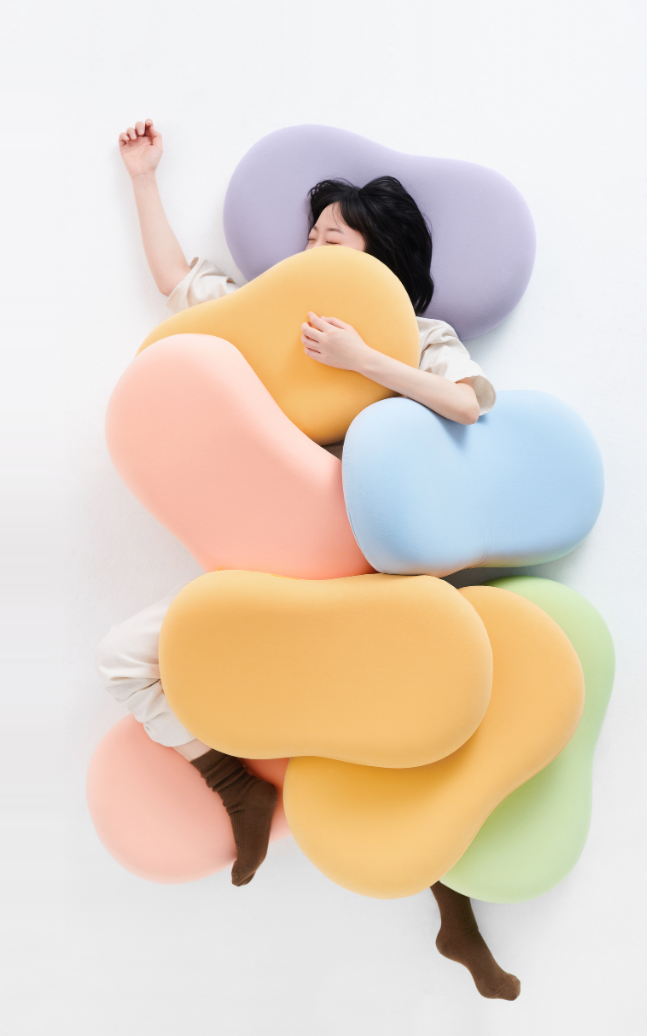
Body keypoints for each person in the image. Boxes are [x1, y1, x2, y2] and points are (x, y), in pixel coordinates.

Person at [99, 120, 519, 1000]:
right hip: (264, 573)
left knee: (406, 722)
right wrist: (143, 179)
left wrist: (364, 359)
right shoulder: (267, 320)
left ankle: (452, 906)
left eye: (332, 240)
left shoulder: (416, 333)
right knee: (126, 660)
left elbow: (467, 405)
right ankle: (232, 780)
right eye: (310, 237)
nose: (311, 252)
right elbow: (182, 284)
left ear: (377, 256)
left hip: (361, 569)